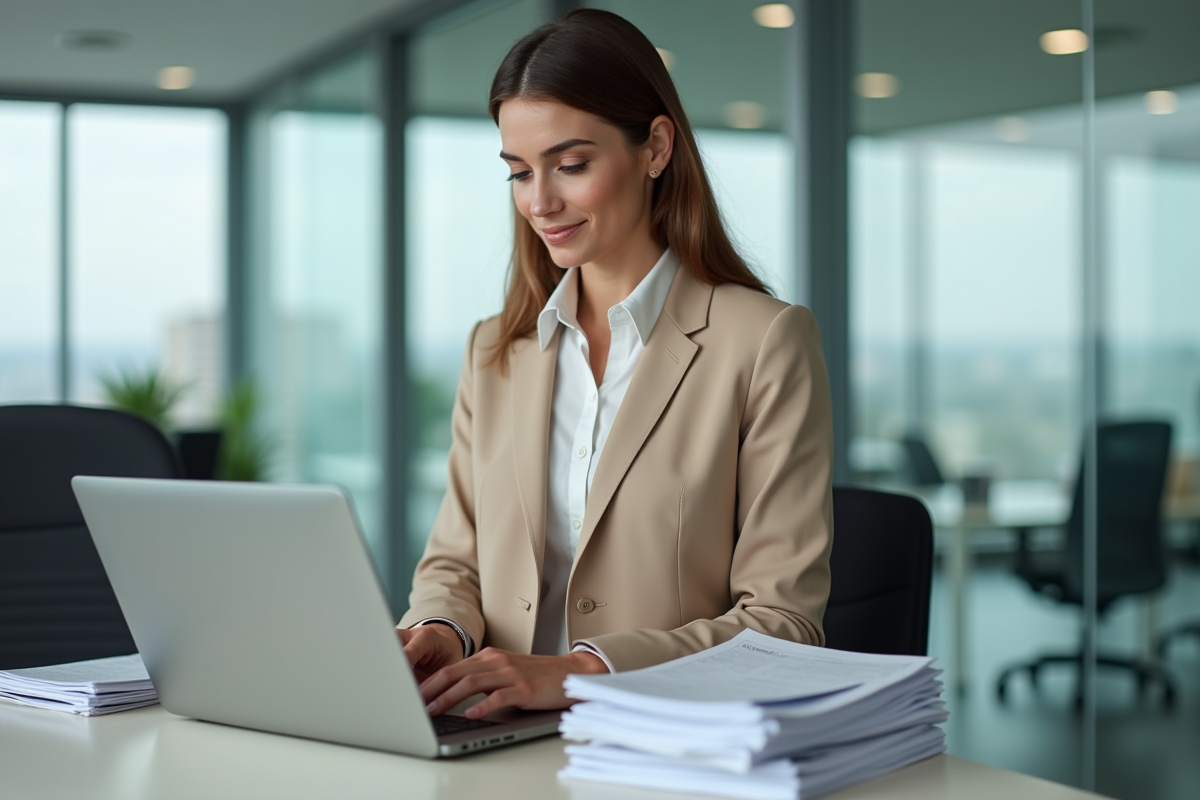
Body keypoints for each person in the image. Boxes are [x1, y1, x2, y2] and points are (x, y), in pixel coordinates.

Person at [396, 8, 833, 721]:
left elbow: (783, 624)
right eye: (518, 172)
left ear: (655, 147)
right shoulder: (495, 351)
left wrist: (581, 671)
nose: (540, 202)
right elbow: (454, 562)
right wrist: (443, 631)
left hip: (665, 737)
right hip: (494, 732)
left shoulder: (764, 341)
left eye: (571, 165)